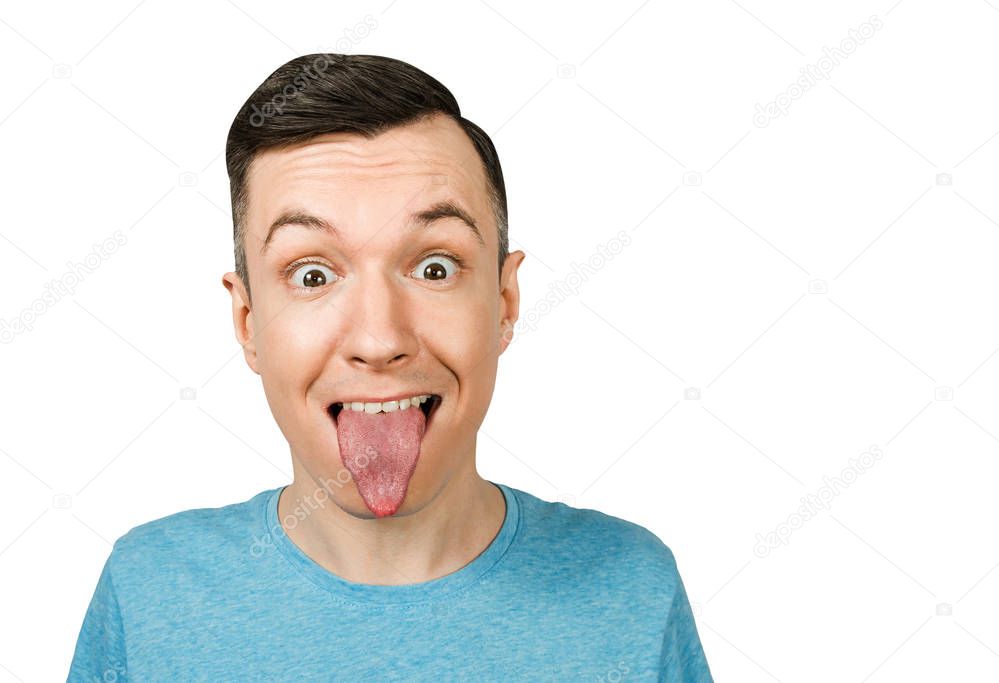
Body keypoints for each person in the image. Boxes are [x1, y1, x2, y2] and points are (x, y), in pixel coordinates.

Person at [68, 53, 714, 681]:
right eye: (313, 274)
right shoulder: (150, 593)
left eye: (435, 267)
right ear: (248, 322)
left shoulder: (631, 587)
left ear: (504, 302)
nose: (379, 340)